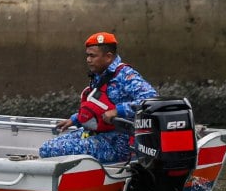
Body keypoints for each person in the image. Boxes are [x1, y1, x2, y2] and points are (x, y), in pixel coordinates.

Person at [39, 32, 158, 163]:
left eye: (92, 56)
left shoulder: (126, 75)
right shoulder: (100, 75)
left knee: (50, 149)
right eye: (87, 55)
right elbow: (99, 107)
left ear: (108, 57)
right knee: (47, 146)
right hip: (99, 135)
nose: (88, 60)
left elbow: (151, 100)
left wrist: (118, 111)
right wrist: (75, 119)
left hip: (119, 143)